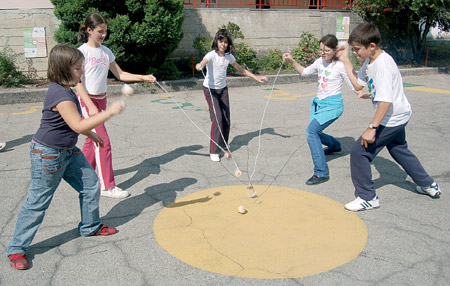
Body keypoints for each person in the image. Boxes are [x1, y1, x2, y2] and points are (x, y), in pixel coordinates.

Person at [6, 44, 124, 270]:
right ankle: (16, 249)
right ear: (63, 69)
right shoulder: (61, 94)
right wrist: (107, 113)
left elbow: (71, 124)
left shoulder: (65, 88)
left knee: (90, 185)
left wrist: (92, 134)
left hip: (67, 152)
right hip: (47, 155)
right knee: (38, 202)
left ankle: (90, 226)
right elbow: (78, 124)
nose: (82, 73)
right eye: (78, 69)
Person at [336, 22, 441, 211]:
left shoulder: (382, 65)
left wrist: (372, 128)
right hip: (400, 115)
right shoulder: (370, 62)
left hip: (391, 118)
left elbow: (385, 102)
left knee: (359, 153)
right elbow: (359, 84)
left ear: (372, 46)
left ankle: (368, 197)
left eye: (358, 49)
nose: (356, 53)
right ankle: (428, 184)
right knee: (399, 149)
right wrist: (345, 60)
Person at [76, 13, 156, 199]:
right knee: (103, 141)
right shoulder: (81, 52)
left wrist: (143, 77)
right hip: (88, 100)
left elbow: (120, 74)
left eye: (105, 31)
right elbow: (77, 83)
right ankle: (106, 186)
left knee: (92, 140)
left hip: (101, 99)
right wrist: (90, 106)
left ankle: (81, 175)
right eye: (100, 31)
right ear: (89, 30)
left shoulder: (106, 51)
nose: (103, 35)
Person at [283, 34, 355, 185]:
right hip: (320, 104)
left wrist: (362, 92)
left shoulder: (340, 66)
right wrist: (292, 60)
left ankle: (321, 173)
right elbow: (304, 72)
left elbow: (354, 84)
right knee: (316, 131)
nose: (323, 53)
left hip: (333, 106)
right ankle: (335, 146)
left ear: (335, 50)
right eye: (321, 50)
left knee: (311, 132)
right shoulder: (319, 62)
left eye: (326, 50)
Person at [195, 29, 268, 162]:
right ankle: (214, 150)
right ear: (216, 41)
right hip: (210, 90)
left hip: (223, 90)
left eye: (225, 42)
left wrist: (256, 78)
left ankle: (223, 144)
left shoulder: (229, 57)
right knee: (217, 118)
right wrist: (200, 65)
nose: (223, 44)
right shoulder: (211, 55)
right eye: (221, 41)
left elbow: (242, 71)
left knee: (226, 119)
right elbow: (203, 61)